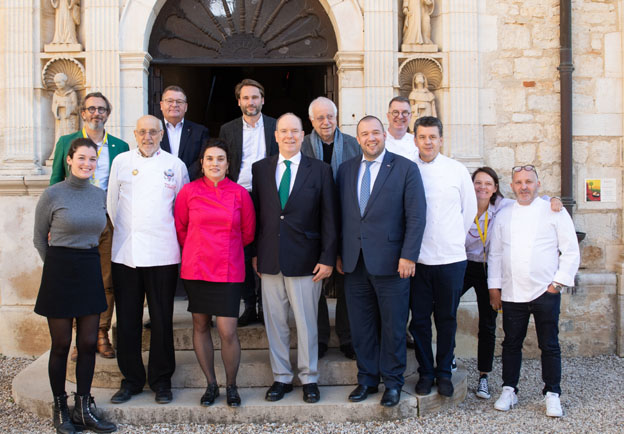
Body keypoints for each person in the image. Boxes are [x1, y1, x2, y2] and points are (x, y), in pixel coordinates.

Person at [337, 115, 427, 407]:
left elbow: (416, 216)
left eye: (375, 132)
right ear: (358, 138)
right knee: (361, 326)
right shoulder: (346, 170)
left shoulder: (405, 169)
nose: (370, 138)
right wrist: (339, 253)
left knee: (393, 326)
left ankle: (393, 383)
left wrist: (408, 255)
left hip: (392, 263)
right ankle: (367, 380)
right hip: (354, 263)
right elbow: (342, 217)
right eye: (364, 134)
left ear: (384, 135)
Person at [252, 113, 338, 404]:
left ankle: (309, 377)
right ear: (275, 135)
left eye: (295, 131)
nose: (289, 136)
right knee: (275, 322)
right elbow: (259, 216)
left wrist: (328, 258)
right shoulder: (260, 169)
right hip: (270, 259)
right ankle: (281, 377)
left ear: (304, 135)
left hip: (307, 260)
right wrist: (255, 254)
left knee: (306, 322)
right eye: (284, 131)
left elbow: (329, 217)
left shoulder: (320, 170)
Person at [34, 138, 117, 434]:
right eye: (81, 158)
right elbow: (38, 237)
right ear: (69, 160)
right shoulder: (52, 194)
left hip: (89, 267)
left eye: (92, 159)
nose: (87, 164)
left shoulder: (98, 195)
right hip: (59, 270)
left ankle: (83, 408)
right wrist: (56, 265)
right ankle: (60, 408)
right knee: (60, 345)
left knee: (86, 344)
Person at [107, 115, 189, 405]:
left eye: (153, 131)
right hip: (126, 253)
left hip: (163, 252)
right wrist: (128, 233)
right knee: (128, 319)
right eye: (142, 131)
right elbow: (112, 205)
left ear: (161, 135)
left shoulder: (175, 166)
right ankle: (131, 380)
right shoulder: (121, 162)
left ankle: (161, 380)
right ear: (135, 133)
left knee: (162, 319)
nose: (148, 136)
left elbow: (182, 209)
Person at [461, 167, 562, 400]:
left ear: (495, 188)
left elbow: (538, 200)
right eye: (478, 183)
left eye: (488, 184)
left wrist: (554, 200)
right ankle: (449, 361)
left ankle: (484, 376)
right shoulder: (462, 205)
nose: (482, 188)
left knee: (488, 321)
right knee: (442, 305)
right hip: (466, 264)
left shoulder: (504, 207)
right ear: (471, 185)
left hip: (491, 268)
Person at [488, 165, 579, 417]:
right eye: (518, 182)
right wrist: (494, 287)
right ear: (513, 186)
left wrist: (556, 284)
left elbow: (570, 250)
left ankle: (552, 393)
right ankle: (509, 389)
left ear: (538, 184)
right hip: (513, 292)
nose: (524, 186)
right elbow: (495, 253)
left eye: (529, 181)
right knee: (510, 344)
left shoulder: (553, 211)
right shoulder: (505, 214)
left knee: (549, 345)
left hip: (545, 292)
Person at [174, 140, 256, 407]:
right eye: (210, 159)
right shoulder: (188, 191)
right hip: (197, 268)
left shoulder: (240, 194)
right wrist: (198, 248)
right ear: (202, 163)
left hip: (228, 268)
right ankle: (211, 384)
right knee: (200, 325)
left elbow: (248, 233)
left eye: (220, 159)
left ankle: (231, 385)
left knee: (227, 330)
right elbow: (181, 229)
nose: (215, 164)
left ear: (228, 163)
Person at [50, 91, 130, 361]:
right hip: (74, 220)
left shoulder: (120, 146)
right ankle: (77, 338)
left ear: (108, 113)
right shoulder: (65, 142)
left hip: (108, 219)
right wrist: (53, 222)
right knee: (77, 278)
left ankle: (100, 333)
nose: (96, 113)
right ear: (83, 113)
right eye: (91, 109)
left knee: (107, 279)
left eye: (101, 109)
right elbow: (55, 183)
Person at [409, 116, 477, 398]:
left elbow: (469, 209)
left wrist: (451, 239)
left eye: (432, 137)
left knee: (447, 318)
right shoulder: (407, 169)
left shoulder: (456, 170)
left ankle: (444, 372)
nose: (427, 142)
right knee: (421, 320)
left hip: (450, 259)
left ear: (440, 139)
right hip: (418, 259)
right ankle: (425, 372)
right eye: (422, 137)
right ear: (415, 140)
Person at [301, 96, 360, 360]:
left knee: (348, 279)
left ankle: (347, 336)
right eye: (320, 117)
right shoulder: (301, 146)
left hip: (347, 221)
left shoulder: (353, 144)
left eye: (330, 116)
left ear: (337, 117)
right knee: (316, 281)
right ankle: (321, 336)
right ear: (311, 121)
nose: (326, 122)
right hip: (313, 223)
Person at [219, 78, 279, 326]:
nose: (250, 102)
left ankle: (266, 307)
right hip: (238, 195)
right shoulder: (228, 129)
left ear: (262, 100)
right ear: (239, 102)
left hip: (268, 195)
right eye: (245, 97)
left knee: (266, 250)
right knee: (242, 253)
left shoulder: (276, 126)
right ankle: (249, 305)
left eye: (255, 97)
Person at [159, 85, 209, 180]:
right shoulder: (152, 131)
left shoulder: (200, 131)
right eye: (170, 101)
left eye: (179, 101)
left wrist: (183, 177)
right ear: (161, 105)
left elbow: (203, 159)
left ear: (186, 107)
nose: (174, 105)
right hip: (160, 185)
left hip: (190, 185)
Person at [385, 96, 417, 161]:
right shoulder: (379, 141)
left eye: (405, 112)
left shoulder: (417, 142)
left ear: (410, 116)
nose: (400, 116)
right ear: (388, 116)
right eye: (395, 112)